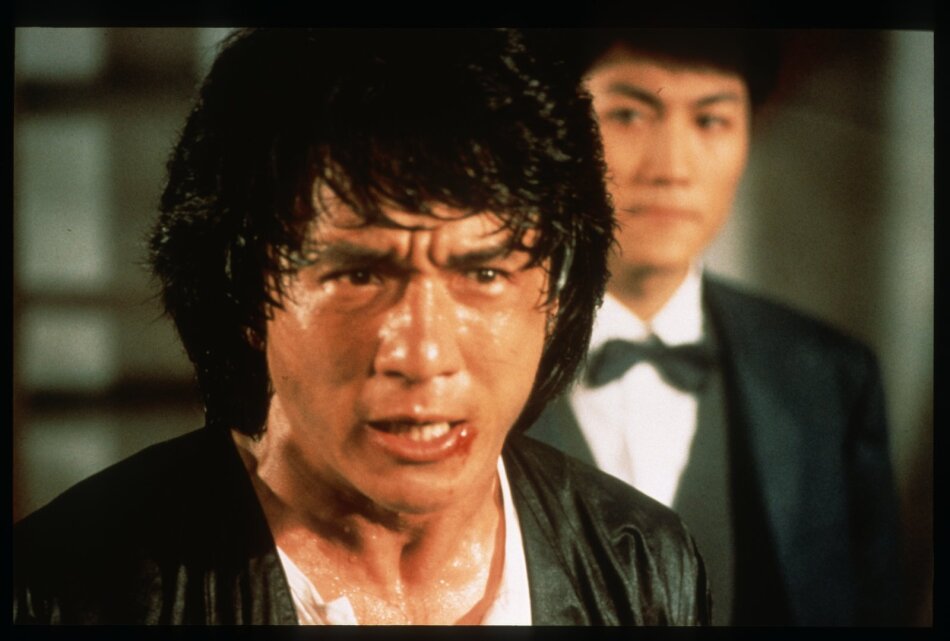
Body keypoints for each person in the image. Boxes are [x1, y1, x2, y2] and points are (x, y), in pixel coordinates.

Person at [12, 28, 710, 625]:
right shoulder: (68, 588)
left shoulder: (642, 564)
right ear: (246, 293)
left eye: (483, 272)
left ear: (556, 293)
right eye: (359, 276)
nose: (424, 353)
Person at [527, 28, 903, 626]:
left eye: (711, 120)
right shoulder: (467, 361)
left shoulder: (832, 379)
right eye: (627, 114)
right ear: (556, 132)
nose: (672, 168)